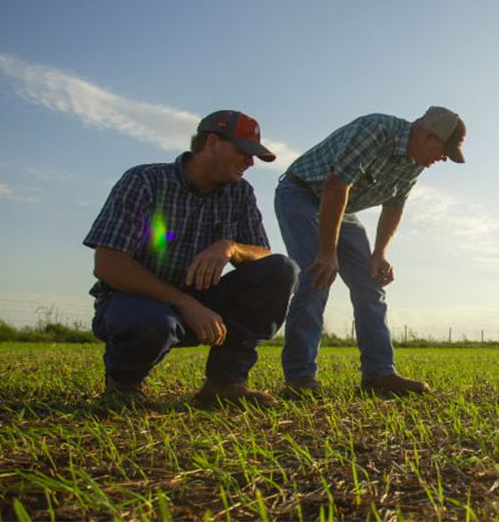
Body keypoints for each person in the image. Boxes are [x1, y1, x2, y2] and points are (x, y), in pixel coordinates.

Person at [84, 110, 297, 408]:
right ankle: (124, 385)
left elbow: (262, 255)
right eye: (244, 151)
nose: (250, 162)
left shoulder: (240, 193)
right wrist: (186, 303)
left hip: (202, 303)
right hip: (137, 302)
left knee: (281, 269)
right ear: (211, 142)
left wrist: (229, 248)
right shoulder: (144, 180)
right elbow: (108, 263)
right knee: (151, 321)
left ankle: (226, 384)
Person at [275, 106, 466, 396]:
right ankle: (300, 376)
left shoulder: (415, 162)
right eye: (444, 151)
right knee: (318, 277)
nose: (442, 158)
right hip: (302, 194)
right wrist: (327, 252)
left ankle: (379, 374)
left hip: (344, 209)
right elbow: (336, 185)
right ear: (427, 136)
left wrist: (379, 253)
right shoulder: (375, 130)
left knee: (371, 285)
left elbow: (394, 206)